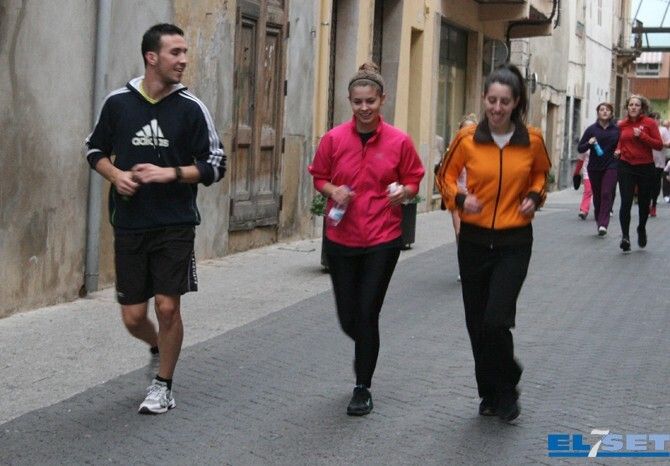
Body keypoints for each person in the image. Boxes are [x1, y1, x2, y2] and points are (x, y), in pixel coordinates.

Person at [85, 23, 225, 414]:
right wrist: (116, 175)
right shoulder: (118, 103)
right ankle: (157, 346)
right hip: (130, 223)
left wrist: (171, 173)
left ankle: (163, 385)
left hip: (175, 224)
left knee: (167, 307)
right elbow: (94, 150)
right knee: (133, 317)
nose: (183, 60)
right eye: (175, 52)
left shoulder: (191, 108)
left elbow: (216, 165)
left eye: (185, 52)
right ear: (152, 57)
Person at [308, 62, 425, 416]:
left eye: (370, 101)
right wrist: (333, 191)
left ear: (382, 100)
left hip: (382, 238)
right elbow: (319, 176)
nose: (364, 108)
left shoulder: (399, 141)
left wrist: (403, 192)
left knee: (367, 311)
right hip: (341, 237)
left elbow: (414, 179)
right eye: (357, 102)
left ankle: (362, 386)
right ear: (350, 101)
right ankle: (366, 348)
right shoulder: (333, 139)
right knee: (349, 318)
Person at [436, 64, 551, 422]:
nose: (497, 108)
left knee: (496, 320)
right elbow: (445, 176)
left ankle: (507, 385)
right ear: (484, 99)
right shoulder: (467, 139)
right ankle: (489, 392)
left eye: (504, 102)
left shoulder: (532, 140)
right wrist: (459, 199)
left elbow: (541, 174)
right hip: (473, 240)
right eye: (491, 100)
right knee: (476, 323)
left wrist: (534, 197)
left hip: (514, 240)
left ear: (516, 103)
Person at [614, 95, 663, 252]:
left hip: (645, 167)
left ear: (642, 108)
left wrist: (642, 136)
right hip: (626, 166)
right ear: (627, 107)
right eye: (631, 105)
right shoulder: (622, 124)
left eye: (637, 105)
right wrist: (617, 150)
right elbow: (620, 142)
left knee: (643, 202)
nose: (633, 107)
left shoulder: (649, 123)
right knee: (626, 201)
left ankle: (641, 227)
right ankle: (625, 237)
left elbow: (659, 145)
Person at [576, 102, 620, 235]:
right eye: (602, 109)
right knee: (598, 195)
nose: (605, 111)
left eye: (607, 110)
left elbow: (623, 144)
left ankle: (603, 224)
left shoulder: (617, 130)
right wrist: (589, 143)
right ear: (598, 113)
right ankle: (599, 217)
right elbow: (580, 148)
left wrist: (620, 151)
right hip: (594, 167)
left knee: (606, 193)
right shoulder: (591, 129)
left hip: (611, 165)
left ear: (611, 113)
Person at [649, 113, 670, 216]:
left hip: (659, 162)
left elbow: (668, 143)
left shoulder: (663, 130)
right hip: (646, 161)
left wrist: (658, 143)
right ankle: (647, 203)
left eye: (656, 119)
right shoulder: (646, 129)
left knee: (656, 184)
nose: (655, 121)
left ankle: (653, 204)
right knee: (646, 183)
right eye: (652, 119)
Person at [572, 151, 592, 220]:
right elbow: (580, 161)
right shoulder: (584, 147)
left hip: (599, 172)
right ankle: (584, 210)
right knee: (588, 191)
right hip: (587, 173)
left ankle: (599, 210)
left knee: (598, 192)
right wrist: (576, 172)